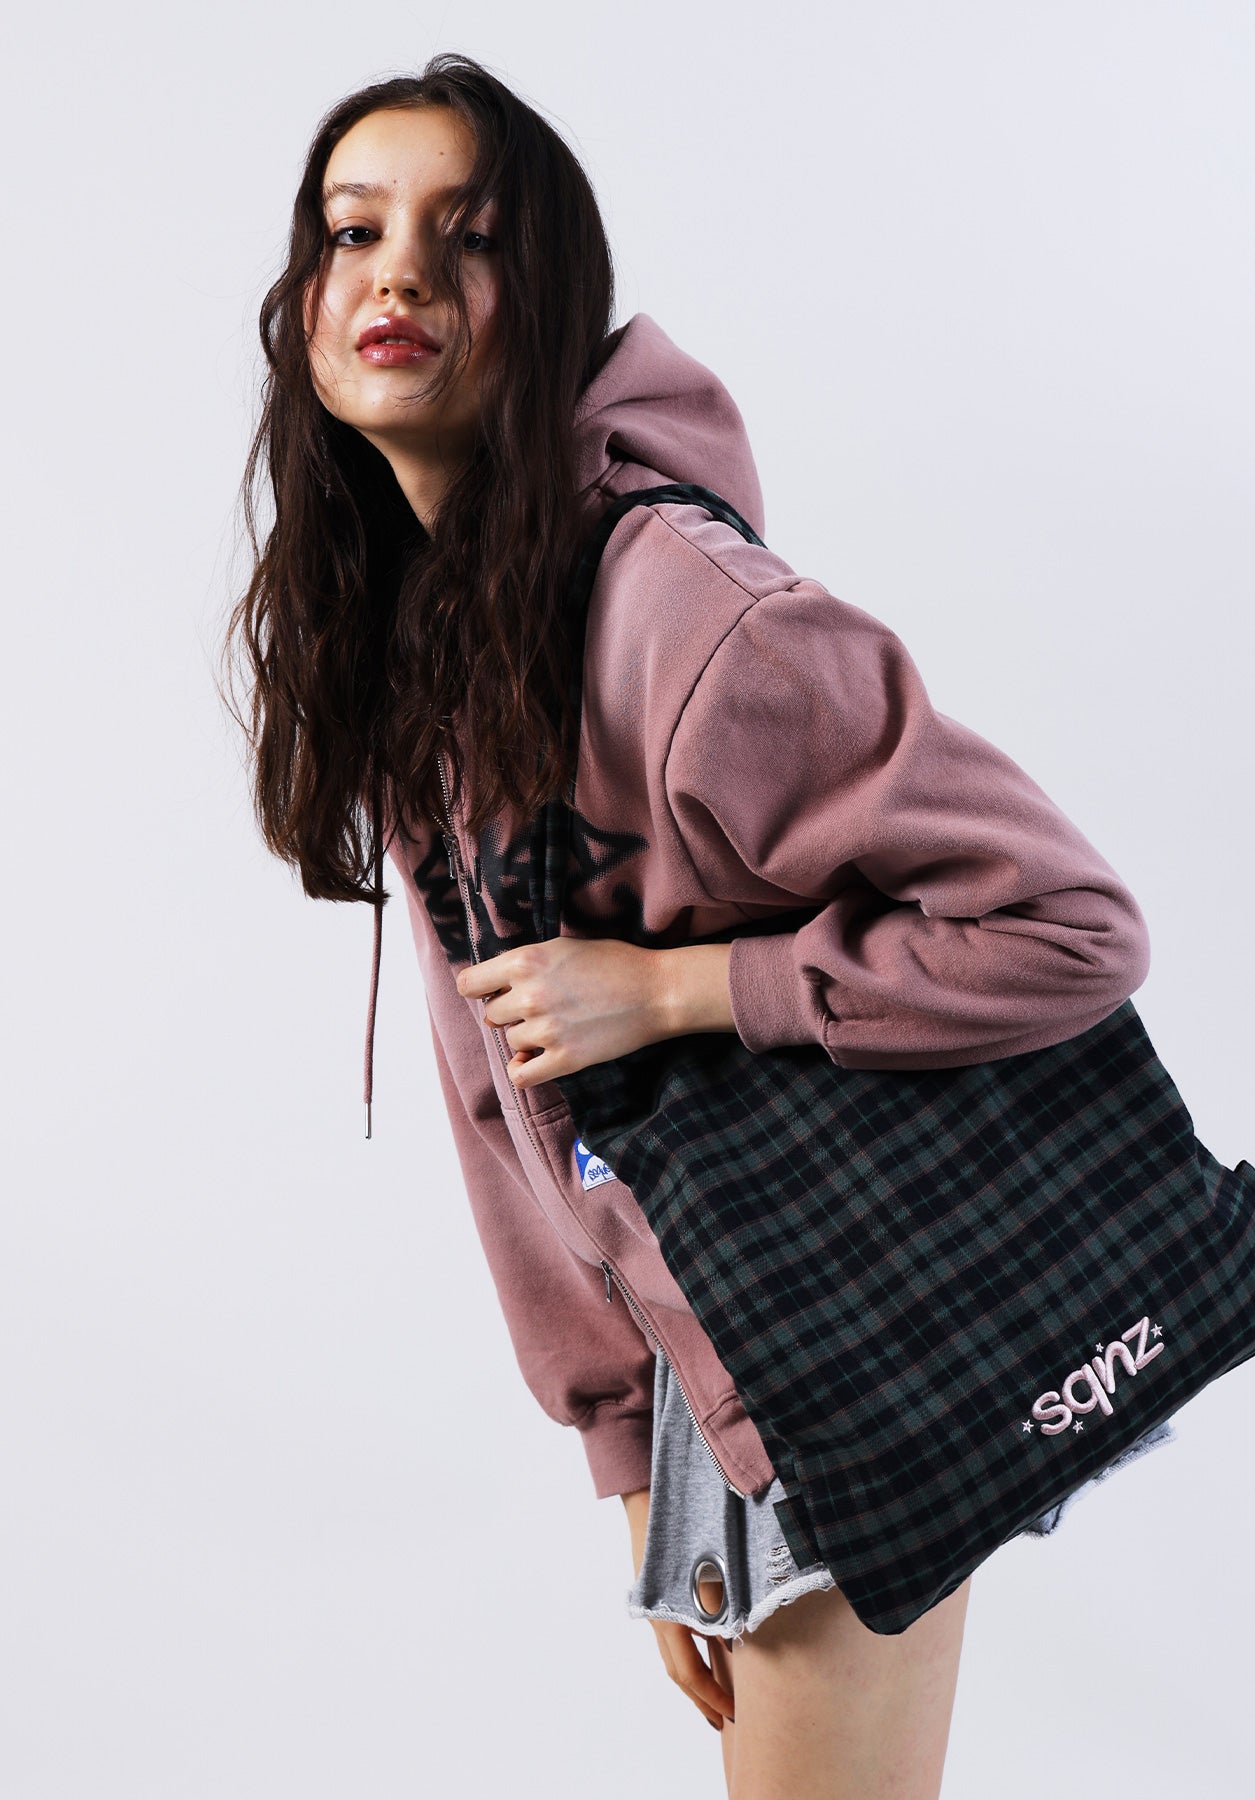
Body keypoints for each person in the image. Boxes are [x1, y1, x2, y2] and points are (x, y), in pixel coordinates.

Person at [222, 51, 1173, 1799]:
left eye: (468, 236)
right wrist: (633, 1454)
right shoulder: (433, 644)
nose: (399, 273)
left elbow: (1070, 926)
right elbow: (501, 1095)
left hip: (854, 1317)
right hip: (705, 1352)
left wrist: (680, 989)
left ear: (550, 298)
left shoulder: (685, 615)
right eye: (354, 230)